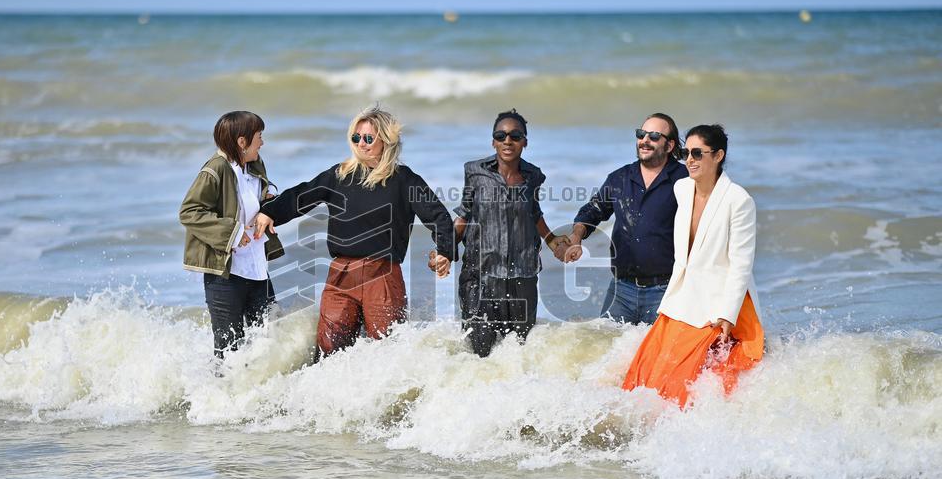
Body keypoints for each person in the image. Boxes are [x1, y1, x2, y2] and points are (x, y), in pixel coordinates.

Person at [253, 105, 455, 358]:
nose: (362, 144)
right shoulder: (339, 175)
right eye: (356, 137)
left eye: (369, 138)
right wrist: (270, 211)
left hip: (382, 277)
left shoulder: (404, 179)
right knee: (329, 350)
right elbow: (302, 195)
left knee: (385, 353)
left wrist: (445, 251)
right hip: (341, 276)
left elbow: (437, 215)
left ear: (386, 140)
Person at [622, 124, 764, 407]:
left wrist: (727, 314)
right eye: (687, 152)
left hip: (718, 303)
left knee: (690, 384)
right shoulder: (682, 188)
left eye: (698, 153)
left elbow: (741, 265)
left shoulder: (739, 200)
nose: (690, 159)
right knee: (645, 376)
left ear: (719, 155)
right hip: (682, 296)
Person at [431, 109, 568, 357]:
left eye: (515, 136)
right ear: (493, 141)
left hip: (522, 277)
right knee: (479, 351)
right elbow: (464, 214)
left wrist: (552, 241)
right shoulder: (475, 171)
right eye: (501, 135)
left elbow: (533, 213)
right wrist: (445, 252)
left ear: (525, 142)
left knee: (517, 353)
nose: (508, 141)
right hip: (480, 276)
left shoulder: (533, 176)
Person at [561, 113, 688, 324]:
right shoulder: (619, 178)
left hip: (665, 291)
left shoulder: (684, 180)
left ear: (669, 145)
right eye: (641, 134)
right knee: (609, 350)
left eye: (654, 136)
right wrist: (577, 236)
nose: (645, 140)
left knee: (657, 356)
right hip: (621, 290)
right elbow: (593, 210)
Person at [179, 111, 285, 359]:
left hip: (257, 268)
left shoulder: (255, 165)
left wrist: (269, 203)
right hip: (225, 274)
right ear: (241, 141)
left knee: (272, 337)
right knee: (229, 350)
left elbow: (257, 199)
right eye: (259, 136)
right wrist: (234, 233)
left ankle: (264, 395)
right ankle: (221, 398)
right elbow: (190, 211)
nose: (262, 142)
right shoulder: (214, 169)